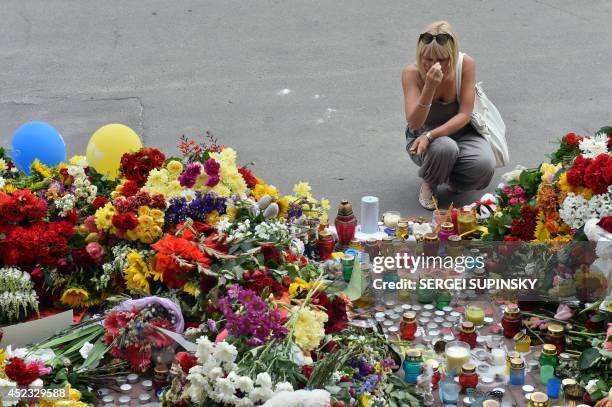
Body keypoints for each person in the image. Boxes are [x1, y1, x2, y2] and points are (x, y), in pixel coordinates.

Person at [402, 20, 496, 210]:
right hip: (422, 138)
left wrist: (432, 135)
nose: (432, 65)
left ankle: (453, 179)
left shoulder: (465, 65)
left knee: (485, 164)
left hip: (462, 132)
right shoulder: (411, 73)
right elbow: (414, 122)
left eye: (441, 59)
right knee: (445, 147)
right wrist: (429, 88)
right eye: (427, 58)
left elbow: (465, 114)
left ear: (452, 55)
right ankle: (429, 182)